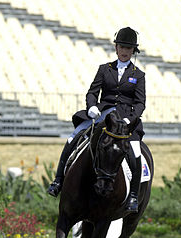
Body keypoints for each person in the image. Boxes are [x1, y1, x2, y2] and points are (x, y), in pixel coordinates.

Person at [48, 27, 146, 213]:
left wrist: (130, 120)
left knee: (135, 152)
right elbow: (92, 92)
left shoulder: (138, 75)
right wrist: (92, 106)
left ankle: (133, 196)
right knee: (72, 138)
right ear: (116, 48)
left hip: (125, 119)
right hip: (102, 114)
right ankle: (58, 180)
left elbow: (140, 103)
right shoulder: (104, 69)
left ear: (133, 51)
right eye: (122, 47)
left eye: (128, 48)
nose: (125, 51)